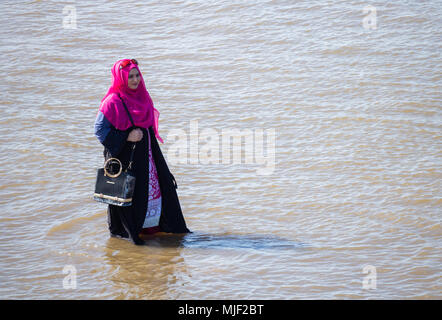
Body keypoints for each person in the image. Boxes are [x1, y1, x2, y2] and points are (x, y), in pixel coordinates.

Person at [94, 58, 190, 245]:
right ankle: (132, 235)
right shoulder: (112, 101)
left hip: (147, 156)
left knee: (156, 191)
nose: (135, 80)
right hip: (127, 158)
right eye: (130, 76)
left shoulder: (143, 95)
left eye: (137, 75)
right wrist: (126, 137)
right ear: (120, 78)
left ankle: (157, 231)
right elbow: (99, 130)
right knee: (130, 194)